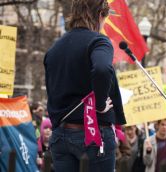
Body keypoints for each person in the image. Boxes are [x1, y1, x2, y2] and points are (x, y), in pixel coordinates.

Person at [44, 0, 126, 172]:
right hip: (93, 135)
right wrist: (101, 104)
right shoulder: (99, 41)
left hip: (61, 135)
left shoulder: (54, 49)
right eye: (105, 18)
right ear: (99, 15)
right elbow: (102, 69)